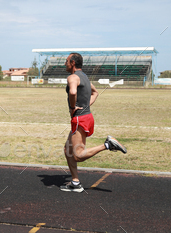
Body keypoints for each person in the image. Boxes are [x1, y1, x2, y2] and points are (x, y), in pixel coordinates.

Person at [60, 53, 127, 193]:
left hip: (79, 118)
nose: (64, 64)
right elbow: (95, 93)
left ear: (73, 63)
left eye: (66, 61)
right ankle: (75, 182)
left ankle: (107, 145)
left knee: (77, 155)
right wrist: (85, 106)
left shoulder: (72, 77)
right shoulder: (84, 77)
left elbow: (72, 93)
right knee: (68, 150)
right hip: (86, 116)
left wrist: (73, 108)